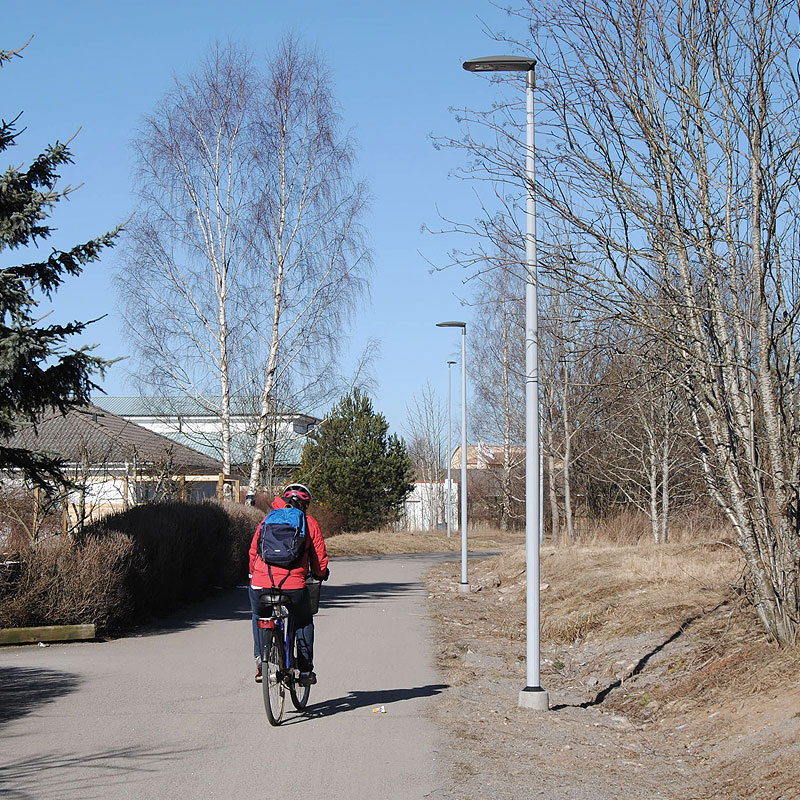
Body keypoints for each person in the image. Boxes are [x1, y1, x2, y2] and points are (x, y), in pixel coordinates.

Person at [249, 483, 329, 685]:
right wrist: (320, 574)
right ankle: (304, 671)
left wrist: (254, 574)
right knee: (303, 620)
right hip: (293, 585)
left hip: (261, 581)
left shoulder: (268, 519)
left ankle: (261, 662)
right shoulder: (309, 523)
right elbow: (319, 561)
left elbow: (253, 552)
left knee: (260, 614)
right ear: (306, 505)